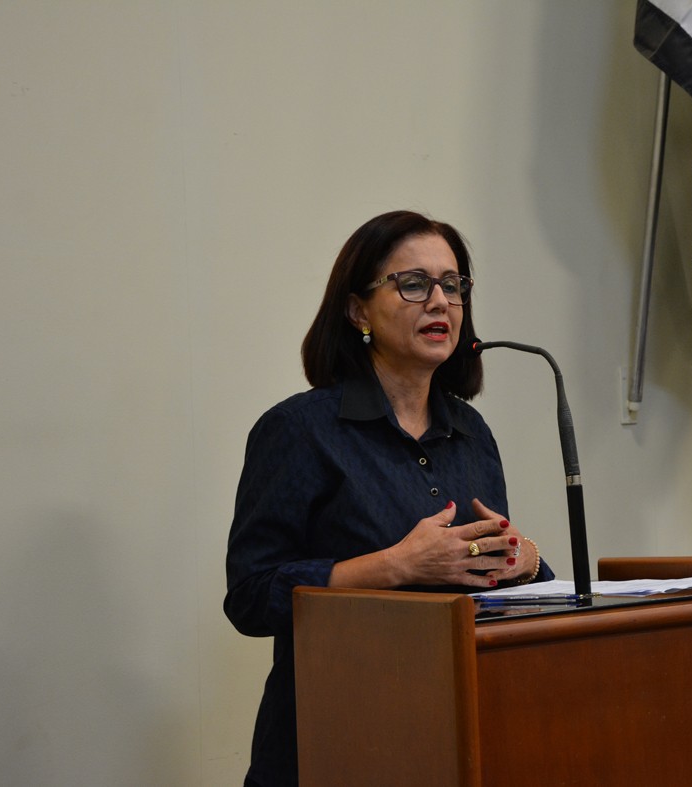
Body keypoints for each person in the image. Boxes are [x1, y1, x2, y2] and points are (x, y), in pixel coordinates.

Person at [224, 210, 555, 787]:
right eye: (414, 284)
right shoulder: (300, 431)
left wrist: (523, 559)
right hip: (335, 741)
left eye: (452, 285)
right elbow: (250, 597)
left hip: (457, 736)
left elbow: (495, 570)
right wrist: (396, 566)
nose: (441, 302)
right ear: (358, 312)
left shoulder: (471, 432)